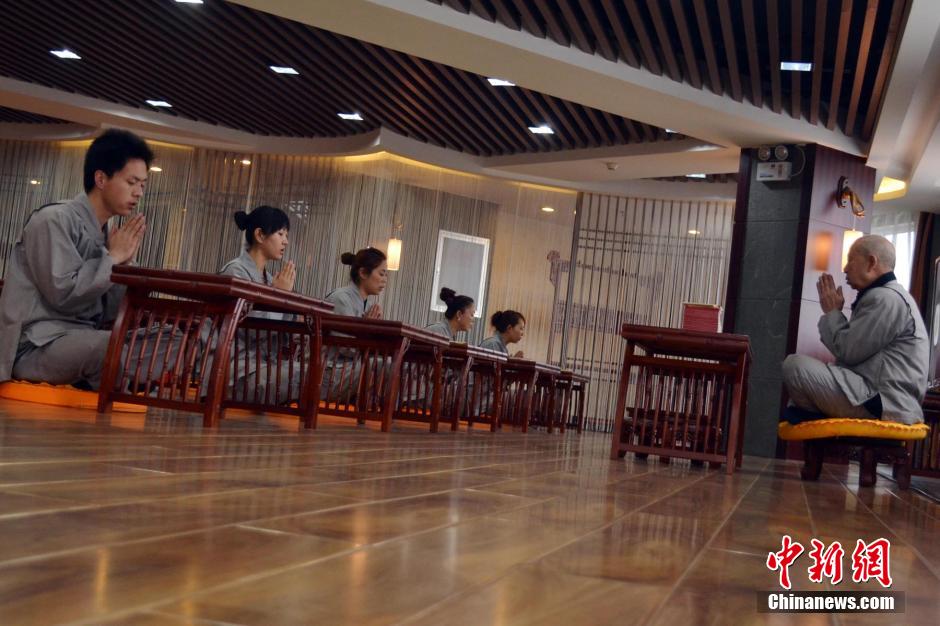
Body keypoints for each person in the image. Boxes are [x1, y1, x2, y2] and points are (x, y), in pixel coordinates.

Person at [0, 129, 178, 390]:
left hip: (84, 337)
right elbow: (63, 294)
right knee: (108, 347)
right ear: (101, 179)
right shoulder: (53, 220)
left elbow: (109, 312)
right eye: (132, 182)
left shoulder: (106, 233)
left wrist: (124, 266)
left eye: (142, 185)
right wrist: (112, 258)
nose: (139, 193)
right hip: (37, 344)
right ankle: (114, 378)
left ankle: (107, 376)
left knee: (175, 338)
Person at [782, 235, 928, 425]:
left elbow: (848, 352)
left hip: (884, 401)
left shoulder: (886, 298)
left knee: (794, 367)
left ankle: (821, 420)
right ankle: (819, 420)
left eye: (851, 260)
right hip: (883, 397)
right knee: (802, 385)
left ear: (871, 262)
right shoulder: (889, 296)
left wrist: (832, 313)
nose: (845, 268)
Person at [218, 206, 298, 403]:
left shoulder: (270, 279)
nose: (285, 241)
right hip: (236, 368)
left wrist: (284, 299)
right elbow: (251, 330)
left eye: (286, 235)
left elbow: (283, 334)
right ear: (260, 235)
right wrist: (277, 296)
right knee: (307, 376)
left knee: (312, 372)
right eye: (280, 234)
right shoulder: (236, 272)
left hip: (263, 363)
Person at [321, 247, 388, 401]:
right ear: (363, 273)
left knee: (393, 364)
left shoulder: (368, 305)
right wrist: (368, 329)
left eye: (386, 275)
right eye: (381, 274)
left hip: (350, 369)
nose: (385, 280)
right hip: (330, 372)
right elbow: (348, 348)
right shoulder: (341, 298)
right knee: (385, 367)